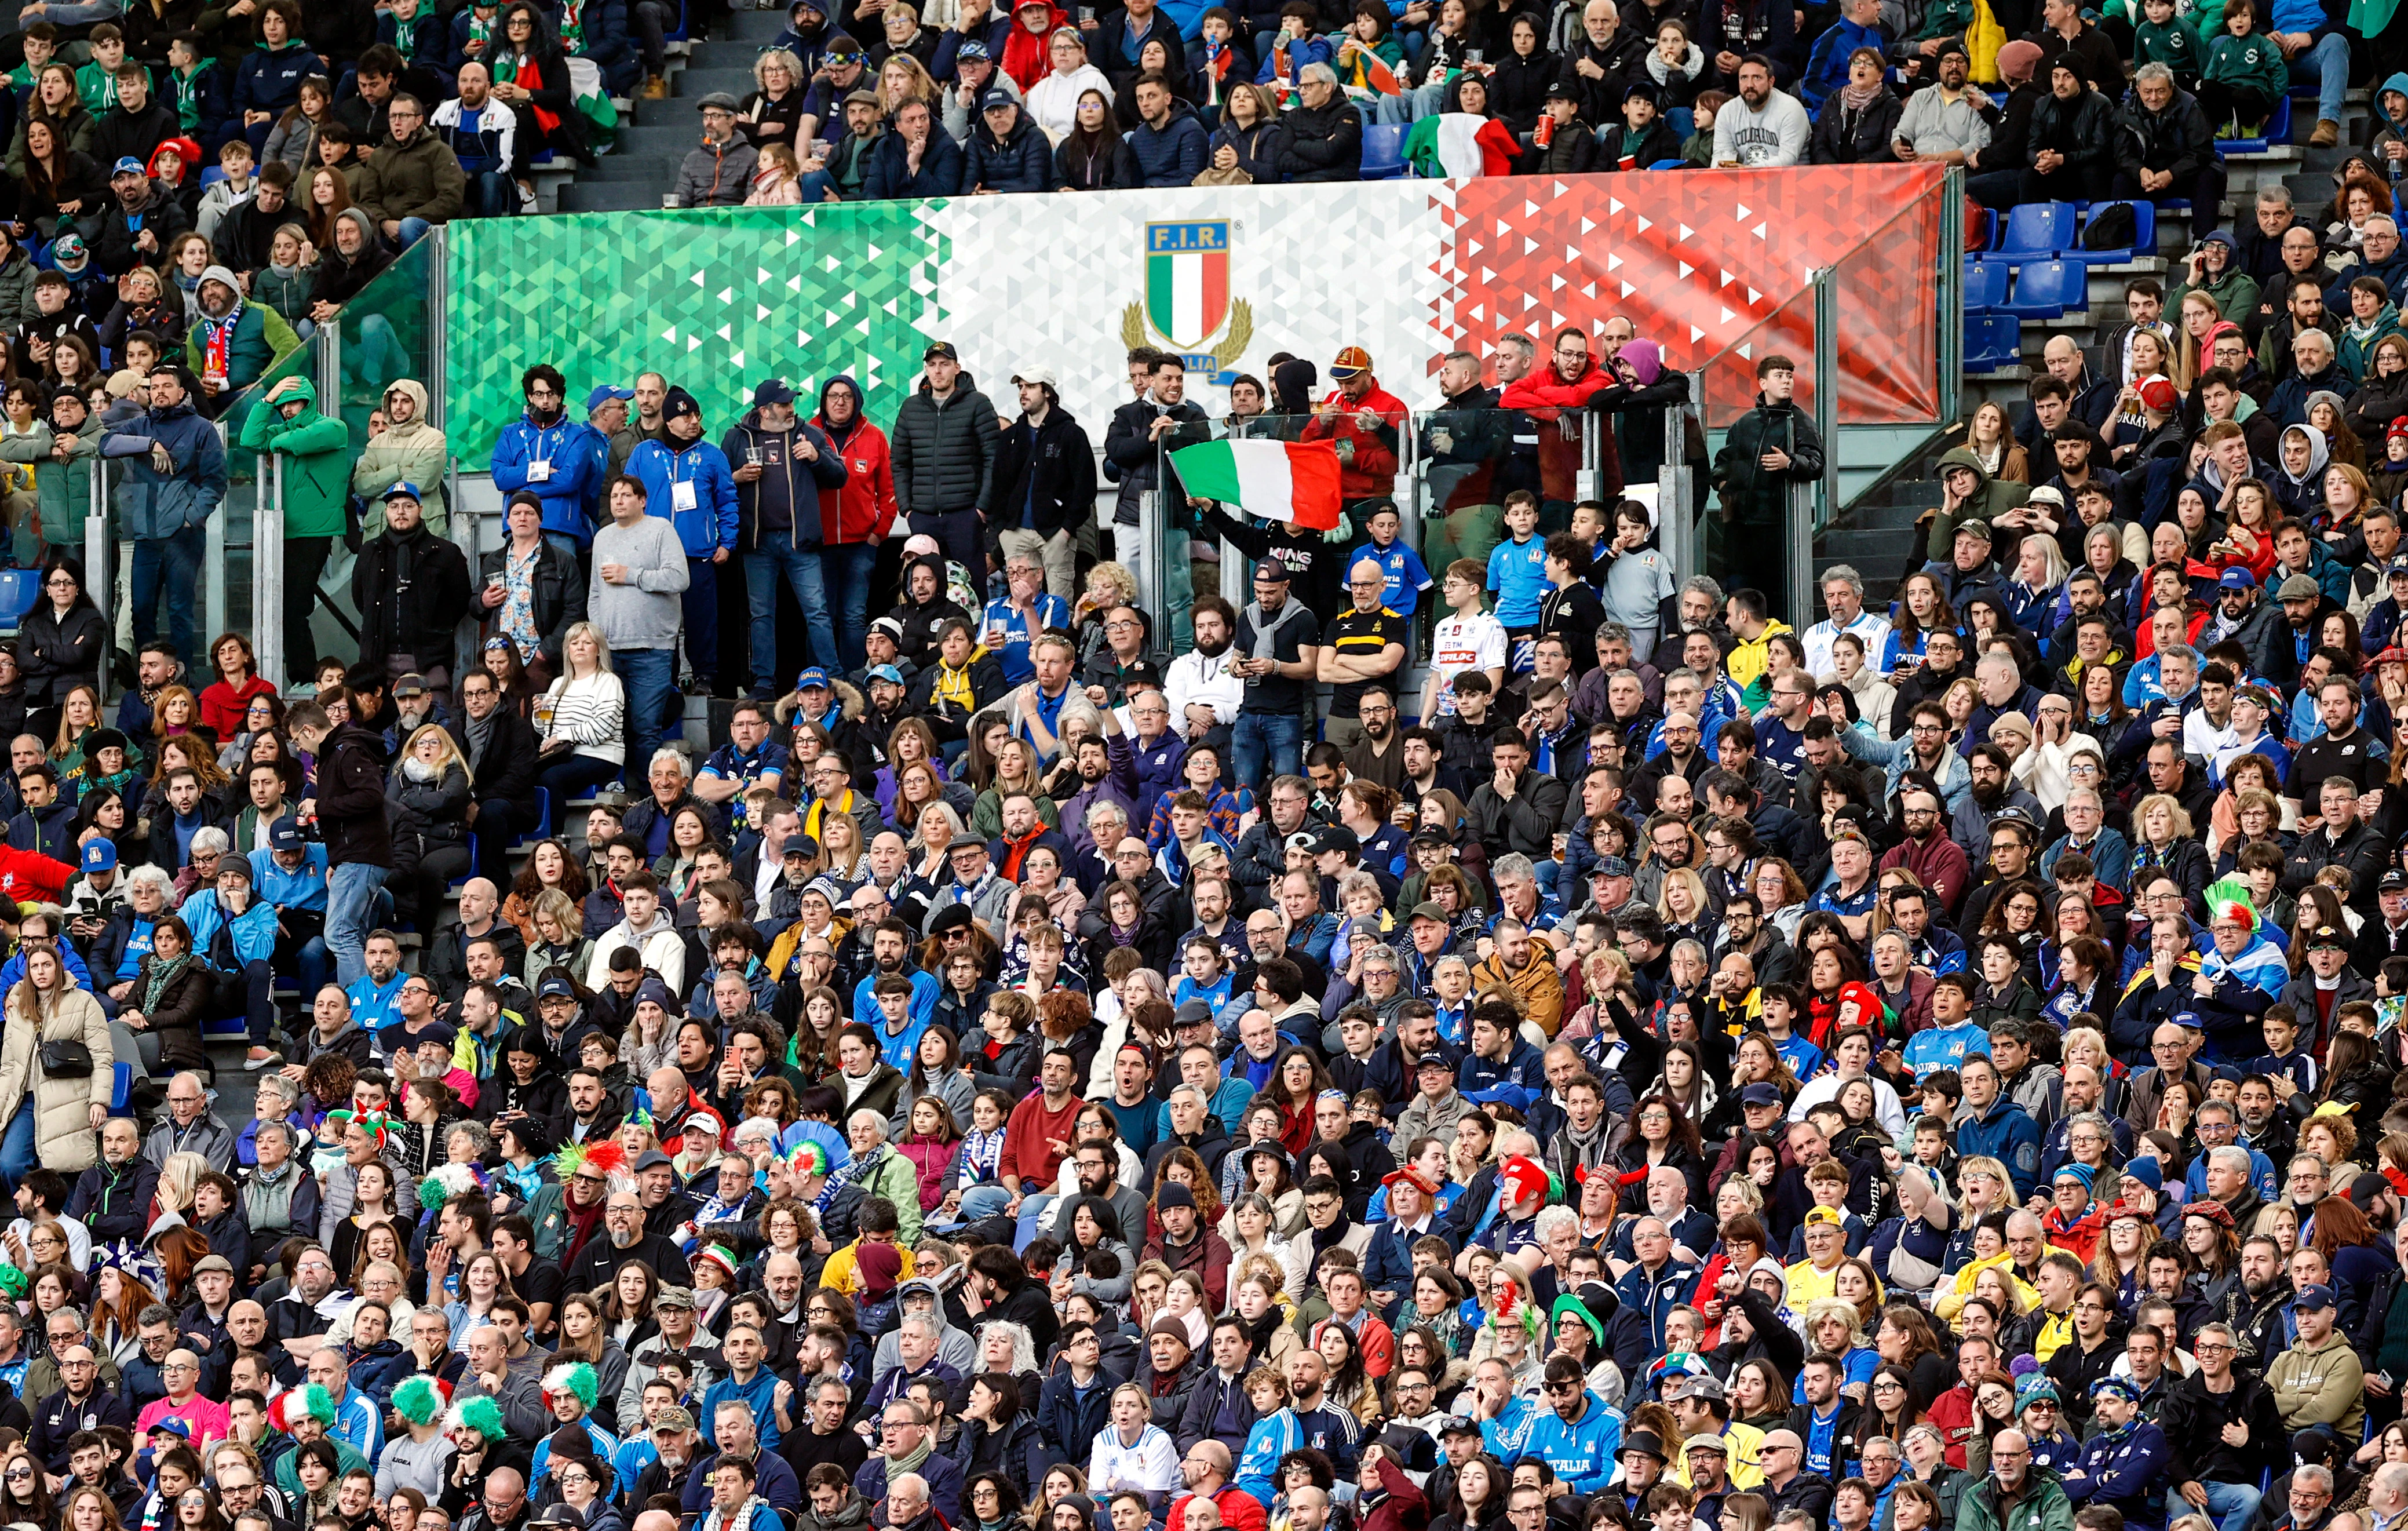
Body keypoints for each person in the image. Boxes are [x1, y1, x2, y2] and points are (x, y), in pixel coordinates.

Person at [721, 377, 851, 700]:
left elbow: (840, 478)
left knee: (817, 612)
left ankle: (834, 678)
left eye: (792, 402)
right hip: (757, 543)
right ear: (764, 411)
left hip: (799, 541)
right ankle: (764, 682)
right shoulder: (738, 438)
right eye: (783, 404)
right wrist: (737, 477)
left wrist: (817, 457)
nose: (791, 409)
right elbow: (718, 484)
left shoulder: (810, 435)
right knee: (761, 615)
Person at [97, 364, 223, 675]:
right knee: (141, 611)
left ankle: (182, 679)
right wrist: (150, 445)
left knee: (180, 611)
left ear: (182, 392)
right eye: (154, 387)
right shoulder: (141, 426)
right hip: (146, 536)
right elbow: (105, 444)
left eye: (167, 386)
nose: (160, 392)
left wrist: (190, 518)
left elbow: (216, 481)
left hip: (183, 537)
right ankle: (149, 677)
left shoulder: (201, 428)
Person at [589, 474, 691, 789]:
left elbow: (679, 579)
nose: (618, 500)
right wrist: (597, 635)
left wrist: (631, 575)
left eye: (626, 495)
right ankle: (617, 797)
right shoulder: (602, 537)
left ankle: (652, 799)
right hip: (610, 650)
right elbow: (595, 593)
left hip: (653, 648)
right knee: (611, 728)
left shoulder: (660, 529)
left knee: (646, 727)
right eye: (614, 496)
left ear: (642, 500)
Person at [889, 341, 999, 580]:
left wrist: (981, 509)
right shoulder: (911, 408)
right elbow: (899, 461)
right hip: (923, 516)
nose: (938, 370)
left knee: (971, 586)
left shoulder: (977, 404)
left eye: (944, 364)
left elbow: (994, 458)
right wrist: (907, 508)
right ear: (926, 369)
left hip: (965, 515)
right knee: (925, 587)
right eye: (932, 365)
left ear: (957, 368)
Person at [353, 483, 471, 688]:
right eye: (394, 506)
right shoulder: (369, 552)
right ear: (386, 511)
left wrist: (434, 627)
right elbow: (360, 599)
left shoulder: (445, 553)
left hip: (430, 660)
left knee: (434, 718)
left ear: (421, 510)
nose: (401, 512)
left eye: (408, 506)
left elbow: (460, 601)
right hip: (379, 660)